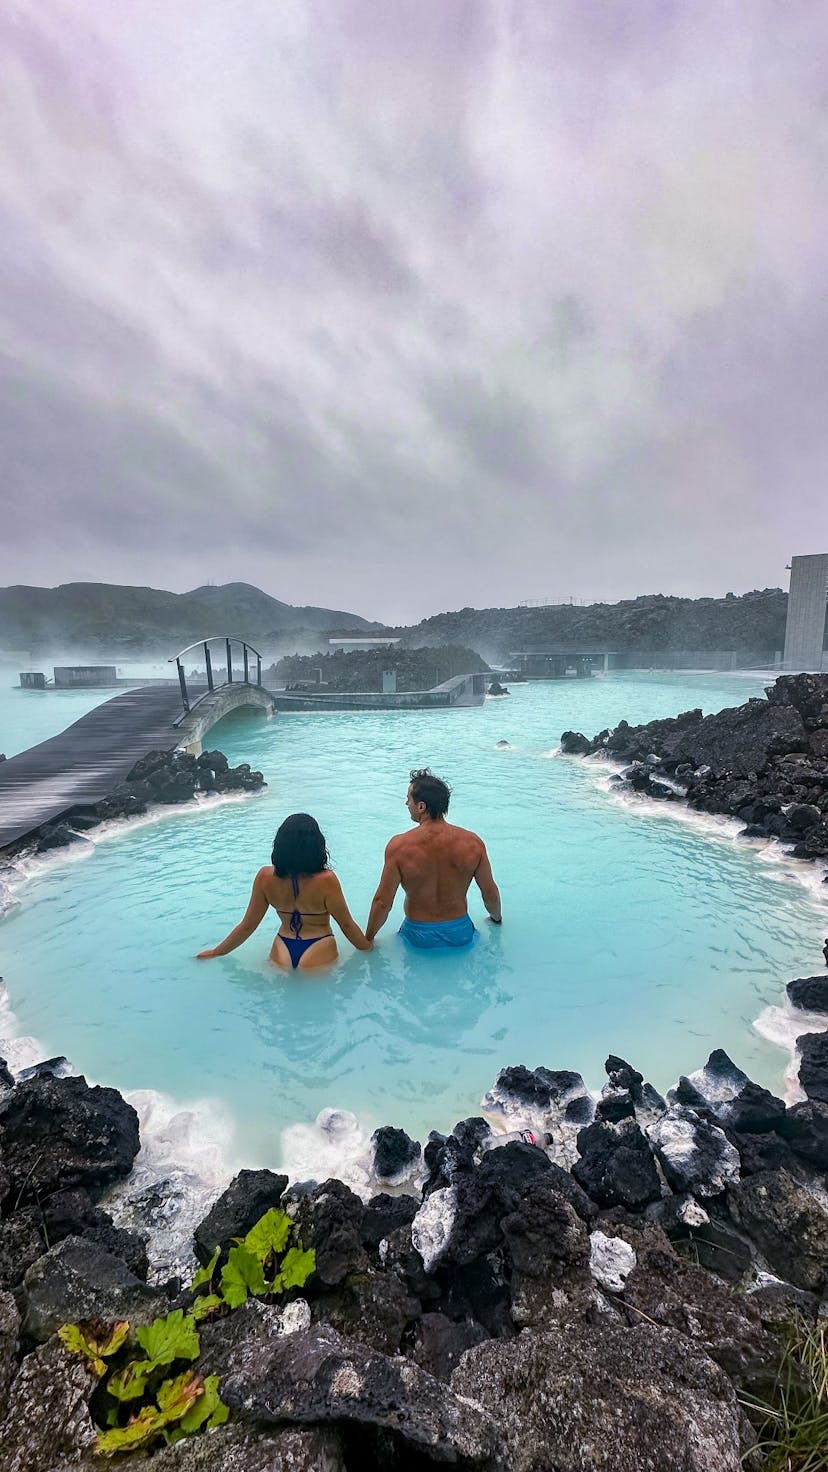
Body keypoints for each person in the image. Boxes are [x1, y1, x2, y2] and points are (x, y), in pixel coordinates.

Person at [197, 813, 372, 970]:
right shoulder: (326, 880)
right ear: (317, 845)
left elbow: (247, 926)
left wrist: (216, 952)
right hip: (319, 947)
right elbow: (347, 925)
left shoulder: (264, 877)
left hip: (281, 948)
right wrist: (368, 949)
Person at [366, 768, 502, 949]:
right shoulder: (473, 843)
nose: (406, 803)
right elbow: (490, 893)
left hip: (417, 935)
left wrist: (368, 938)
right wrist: (497, 919)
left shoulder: (399, 846)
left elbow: (383, 902)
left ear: (421, 806)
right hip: (460, 932)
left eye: (409, 799)